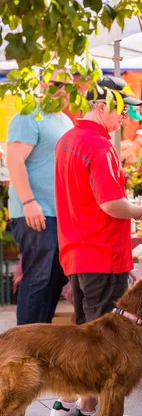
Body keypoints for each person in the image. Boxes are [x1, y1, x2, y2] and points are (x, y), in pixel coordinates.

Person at [51, 75, 142, 416]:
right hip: (102, 252)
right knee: (100, 342)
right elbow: (112, 203)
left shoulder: (68, 138)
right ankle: (87, 410)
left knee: (83, 333)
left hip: (77, 250)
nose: (127, 115)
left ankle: (67, 404)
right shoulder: (97, 145)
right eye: (123, 108)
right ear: (102, 106)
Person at [7, 72, 72, 324]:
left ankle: (41, 340)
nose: (63, 89)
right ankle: (25, 347)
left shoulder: (65, 120)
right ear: (42, 84)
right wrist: (28, 202)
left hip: (59, 214)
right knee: (38, 278)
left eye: (67, 85)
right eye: (57, 84)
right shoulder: (29, 113)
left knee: (56, 277)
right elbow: (14, 160)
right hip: (34, 211)